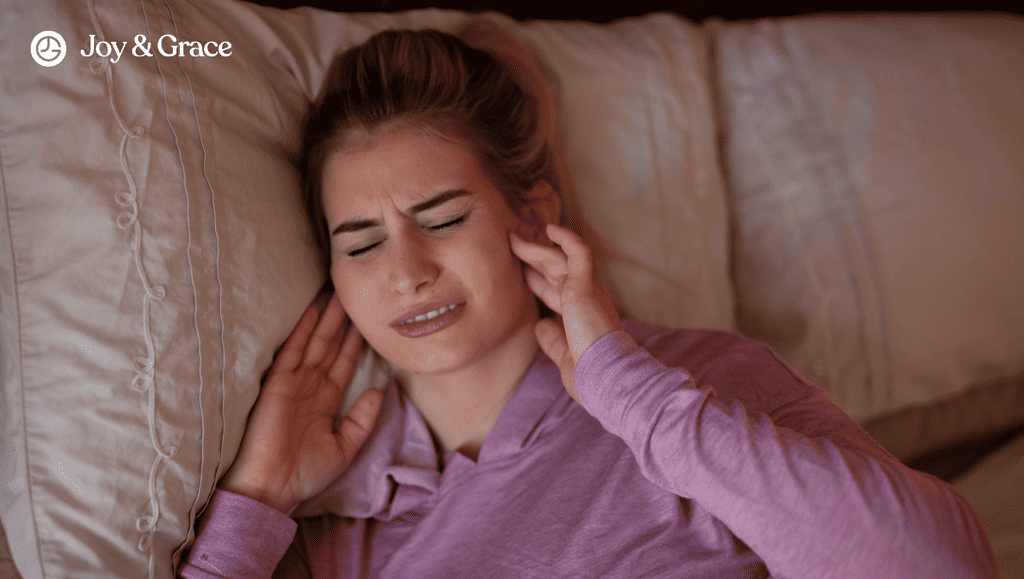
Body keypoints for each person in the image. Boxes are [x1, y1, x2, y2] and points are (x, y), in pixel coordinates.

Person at [179, 24, 998, 579]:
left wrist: (631, 396)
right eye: (361, 242)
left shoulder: (686, 386)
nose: (408, 270)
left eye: (444, 218)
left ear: (532, 216)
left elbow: (941, 564)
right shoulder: (343, 520)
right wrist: (256, 503)